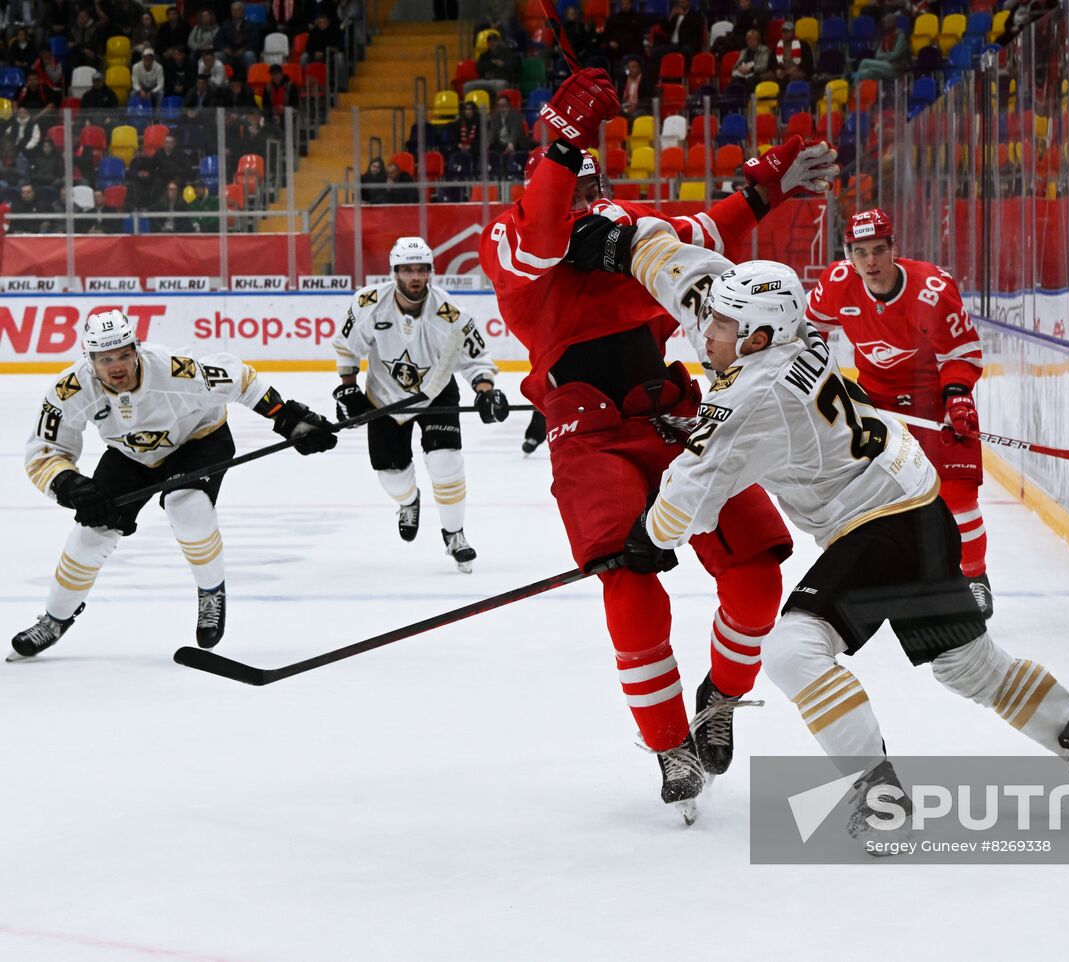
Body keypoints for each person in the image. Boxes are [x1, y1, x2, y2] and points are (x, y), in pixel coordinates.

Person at [566, 226, 1069, 833]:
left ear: (758, 336)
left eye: (719, 325)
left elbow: (687, 496)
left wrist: (647, 539)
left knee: (792, 649)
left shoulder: (748, 397)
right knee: (968, 666)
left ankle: (882, 801)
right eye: (712, 319)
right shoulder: (789, 334)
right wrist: (634, 246)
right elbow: (693, 278)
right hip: (916, 503)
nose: (704, 333)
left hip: (882, 526)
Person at [478, 68, 837, 820]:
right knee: (629, 575)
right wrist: (566, 138)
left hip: (675, 414)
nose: (583, 193)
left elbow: (701, 239)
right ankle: (670, 742)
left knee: (759, 566)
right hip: (589, 434)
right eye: (569, 177)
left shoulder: (621, 215)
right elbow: (544, 239)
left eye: (588, 180)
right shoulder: (508, 236)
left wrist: (762, 192)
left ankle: (722, 699)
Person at [14, 311, 338, 658]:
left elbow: (239, 378)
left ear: (136, 349)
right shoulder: (71, 390)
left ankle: (211, 592)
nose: (117, 366)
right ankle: (54, 619)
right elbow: (43, 453)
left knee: (186, 506)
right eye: (105, 359)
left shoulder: (173, 370)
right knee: (91, 531)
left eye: (124, 354)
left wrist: (288, 419)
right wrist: (69, 485)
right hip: (130, 454)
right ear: (89, 359)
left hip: (198, 441)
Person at [806, 209, 993, 615]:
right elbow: (808, 329)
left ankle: (975, 576)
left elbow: (960, 353)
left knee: (958, 496)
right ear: (848, 255)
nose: (870, 261)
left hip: (936, 396)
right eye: (860, 252)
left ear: (894, 249)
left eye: (878, 250)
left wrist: (958, 396)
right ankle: (891, 578)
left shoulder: (931, 288)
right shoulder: (837, 285)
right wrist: (819, 373)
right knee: (874, 494)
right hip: (877, 399)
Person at [331, 237, 509, 572]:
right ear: (394, 272)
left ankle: (455, 534)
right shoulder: (368, 303)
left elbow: (476, 359)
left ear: (431, 272)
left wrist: (485, 391)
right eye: (408, 269)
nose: (415, 276)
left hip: (436, 390)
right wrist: (348, 389)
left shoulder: (451, 313)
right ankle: (408, 501)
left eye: (422, 269)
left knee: (446, 463)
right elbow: (347, 347)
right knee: (392, 475)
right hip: (383, 396)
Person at [854, 13, 910, 82]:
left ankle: (853, 89)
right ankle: (862, 90)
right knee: (864, 73)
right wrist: (888, 55)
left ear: (894, 23)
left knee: (864, 62)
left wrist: (884, 56)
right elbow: (877, 55)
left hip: (896, 67)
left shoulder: (900, 36)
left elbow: (895, 54)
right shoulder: (885, 37)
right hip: (884, 65)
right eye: (885, 23)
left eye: (888, 22)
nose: (886, 25)